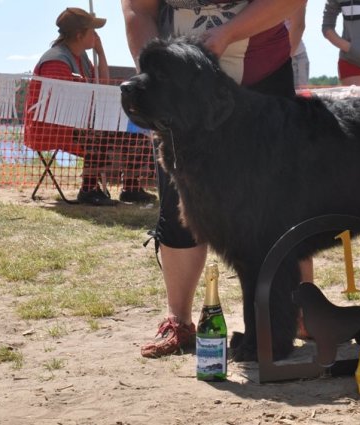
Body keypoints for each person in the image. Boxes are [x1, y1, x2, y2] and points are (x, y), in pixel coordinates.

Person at [121, 0, 310, 358]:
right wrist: (156, 66)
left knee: (280, 209)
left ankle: (300, 312)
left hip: (260, 75)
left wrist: (226, 34)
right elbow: (138, 10)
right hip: (181, 90)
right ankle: (179, 321)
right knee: (182, 206)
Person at [25, 7, 156, 205]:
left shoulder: (81, 57)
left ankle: (131, 186)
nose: (96, 35)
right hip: (52, 127)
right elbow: (61, 108)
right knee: (99, 133)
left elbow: (101, 85)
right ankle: (88, 189)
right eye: (92, 31)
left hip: (75, 122)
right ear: (79, 35)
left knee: (136, 130)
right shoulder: (56, 61)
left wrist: (101, 52)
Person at [286, 4, 309, 89]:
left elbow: (298, 26)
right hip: (271, 60)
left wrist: (283, 61)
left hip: (293, 57)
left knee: (296, 100)